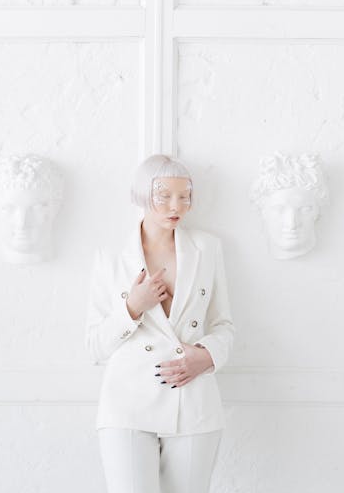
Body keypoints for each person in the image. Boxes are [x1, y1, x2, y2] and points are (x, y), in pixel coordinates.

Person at [85, 154, 235, 493]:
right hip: (127, 405)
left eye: (185, 196)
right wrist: (132, 307)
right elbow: (94, 346)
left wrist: (207, 356)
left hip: (193, 401)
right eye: (164, 195)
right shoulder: (109, 256)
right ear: (141, 195)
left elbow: (224, 325)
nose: (176, 205)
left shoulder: (207, 248)